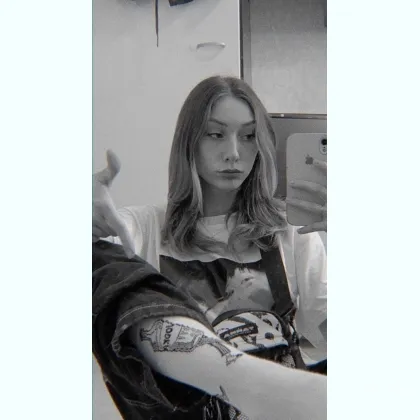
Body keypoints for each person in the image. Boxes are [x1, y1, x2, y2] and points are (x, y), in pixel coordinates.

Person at [92, 75, 327, 419]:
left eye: (249, 136)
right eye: (216, 134)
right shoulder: (144, 227)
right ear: (190, 141)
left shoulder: (289, 230)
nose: (233, 153)